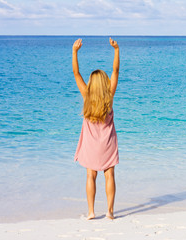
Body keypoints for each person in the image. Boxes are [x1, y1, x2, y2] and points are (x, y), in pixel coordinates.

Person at [72, 37, 120, 220]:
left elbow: (76, 73)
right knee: (109, 176)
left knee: (90, 176)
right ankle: (110, 212)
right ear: (105, 82)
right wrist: (116, 50)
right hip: (107, 144)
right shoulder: (109, 97)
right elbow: (116, 70)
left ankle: (91, 212)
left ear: (92, 83)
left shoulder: (86, 96)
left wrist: (75, 52)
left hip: (91, 145)